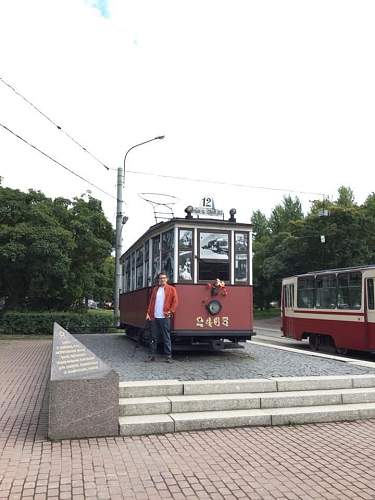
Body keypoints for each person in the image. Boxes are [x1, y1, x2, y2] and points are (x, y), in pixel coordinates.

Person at [145, 272, 178, 362]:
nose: (162, 280)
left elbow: (175, 302)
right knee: (153, 337)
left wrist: (170, 311)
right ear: (158, 280)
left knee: (166, 337)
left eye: (163, 278)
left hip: (165, 316)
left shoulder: (171, 289)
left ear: (167, 279)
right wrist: (148, 313)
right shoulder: (155, 289)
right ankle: (151, 356)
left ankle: (168, 356)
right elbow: (151, 302)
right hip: (154, 316)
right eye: (160, 278)